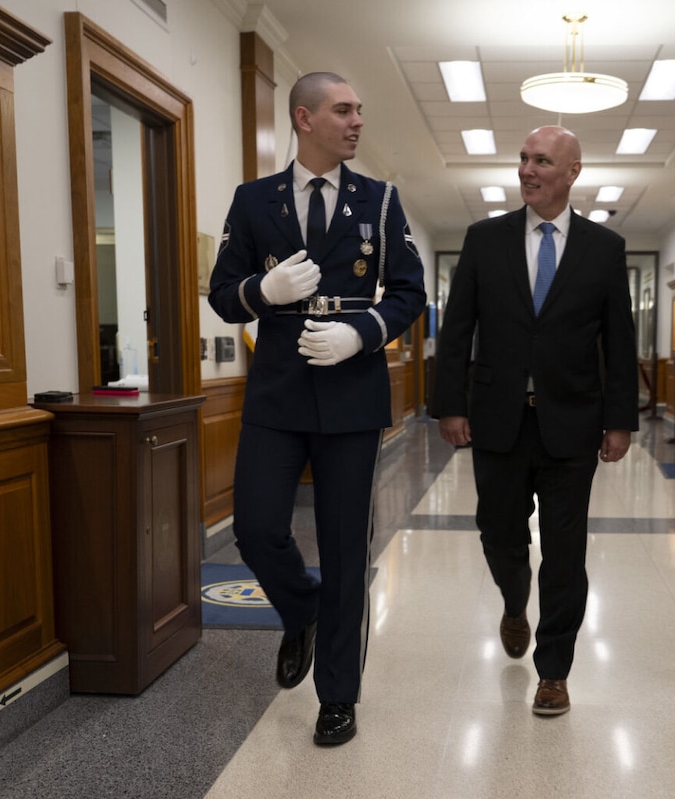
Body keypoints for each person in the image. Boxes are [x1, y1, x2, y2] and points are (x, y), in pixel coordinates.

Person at [208, 72, 426, 746]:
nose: (357, 121)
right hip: (276, 391)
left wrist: (362, 332)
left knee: (344, 548)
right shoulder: (253, 202)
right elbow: (222, 294)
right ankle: (300, 607)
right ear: (304, 119)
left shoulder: (381, 201)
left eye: (360, 110)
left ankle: (338, 695)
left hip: (351, 394)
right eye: (343, 110)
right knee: (256, 528)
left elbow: (410, 291)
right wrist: (261, 289)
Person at [431, 125, 638, 716]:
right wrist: (451, 403)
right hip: (497, 419)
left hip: (573, 420)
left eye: (541, 160)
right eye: (523, 159)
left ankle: (554, 671)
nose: (527, 169)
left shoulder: (604, 248)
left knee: (566, 551)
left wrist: (619, 420)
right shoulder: (484, 239)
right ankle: (514, 601)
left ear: (572, 171)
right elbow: (458, 329)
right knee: (498, 532)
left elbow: (618, 342)